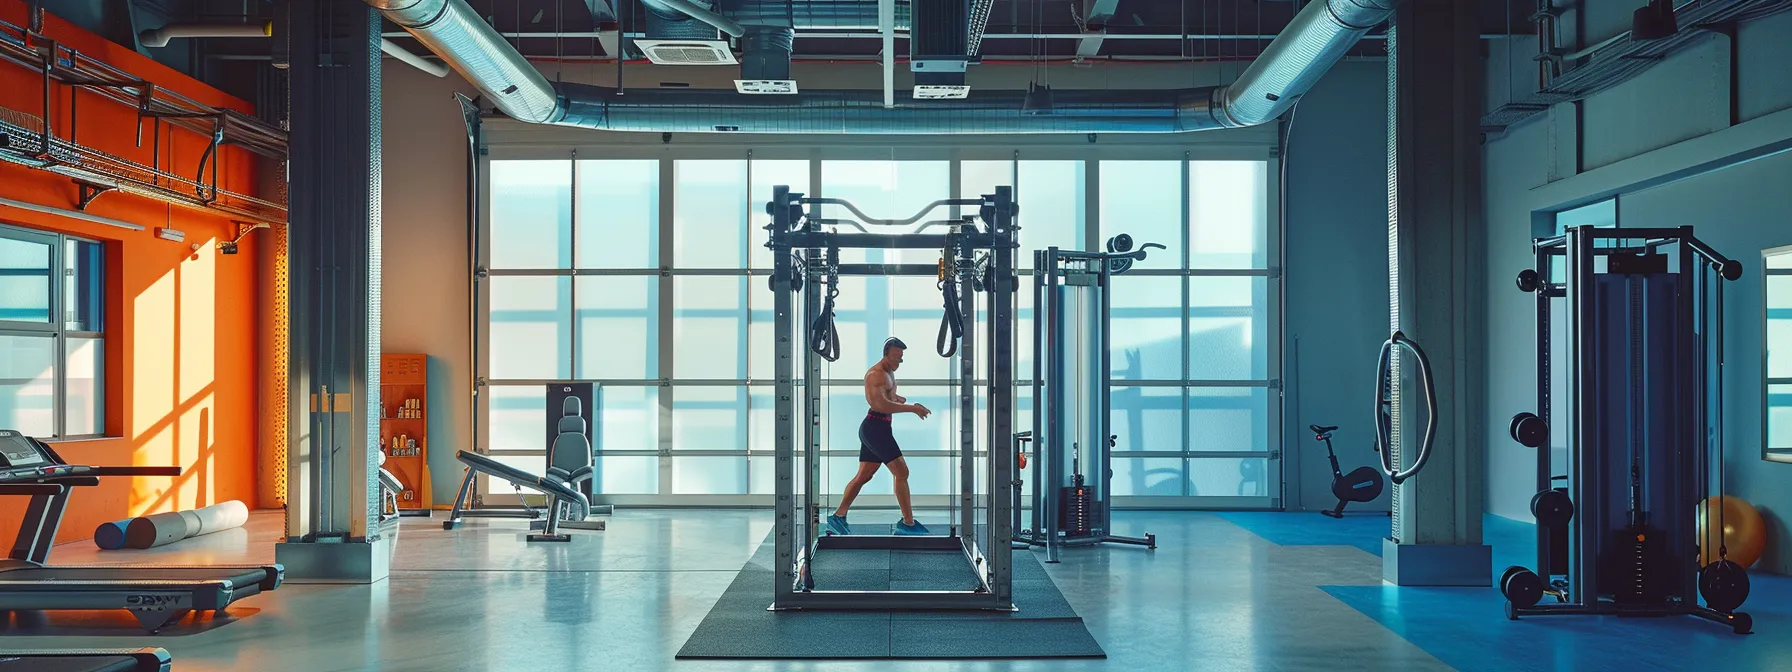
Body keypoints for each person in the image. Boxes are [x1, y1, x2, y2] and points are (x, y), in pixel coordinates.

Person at [827, 337, 932, 536]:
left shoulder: (890, 372)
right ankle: (908, 523)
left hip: (879, 427)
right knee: (901, 472)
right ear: (886, 355)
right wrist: (912, 408)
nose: (899, 362)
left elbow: (886, 399)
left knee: (864, 475)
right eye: (896, 357)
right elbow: (879, 405)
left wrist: (896, 398)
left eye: (901, 358)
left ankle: (838, 517)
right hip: (875, 429)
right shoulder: (876, 375)